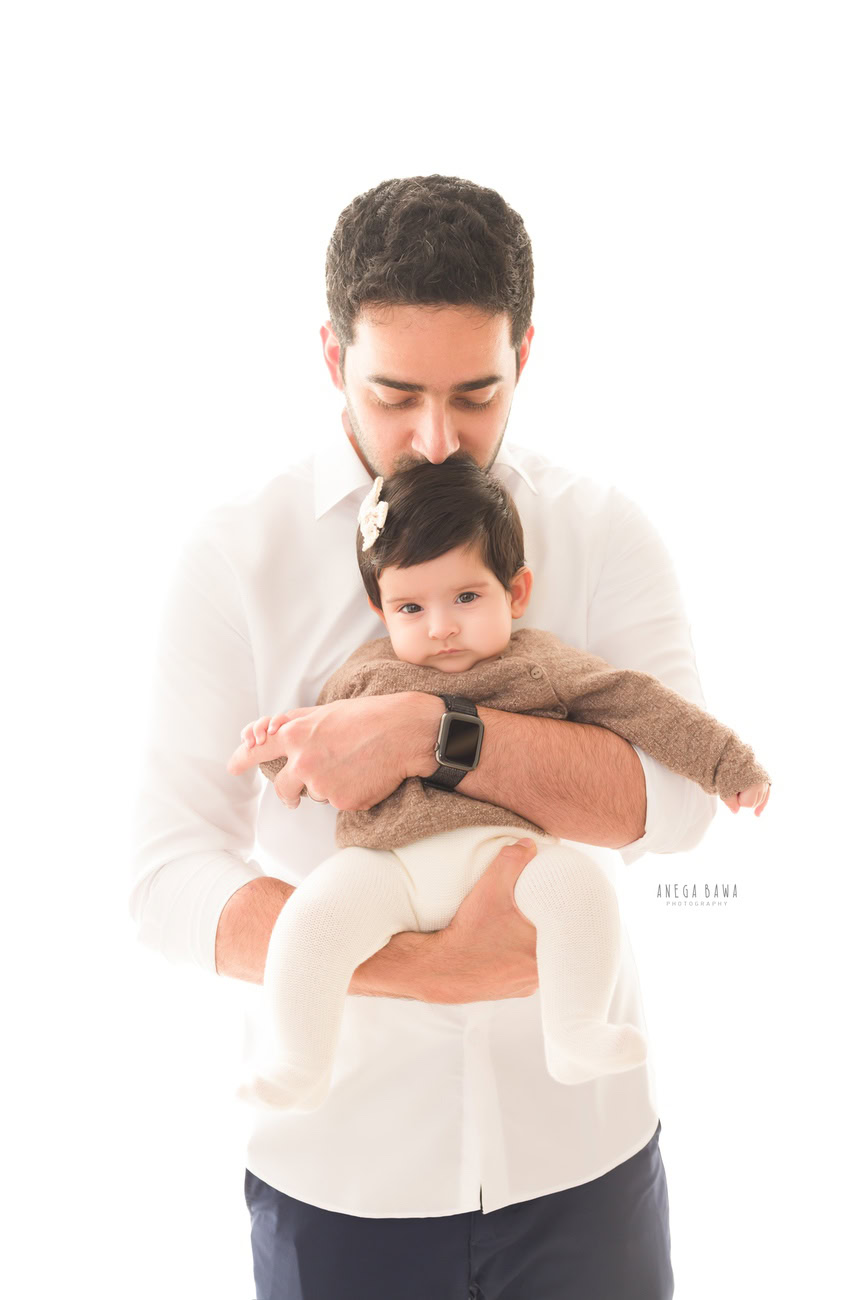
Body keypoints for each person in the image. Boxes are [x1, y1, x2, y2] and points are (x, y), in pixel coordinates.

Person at [130, 174, 752, 1298]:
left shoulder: (603, 532)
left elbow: (680, 803)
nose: (432, 438)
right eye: (393, 393)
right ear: (331, 359)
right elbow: (165, 878)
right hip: (339, 1175)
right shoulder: (234, 556)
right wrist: (424, 970)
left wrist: (433, 733)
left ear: (526, 353)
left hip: (585, 1155)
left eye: (477, 393)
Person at [231, 452, 770, 1114]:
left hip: (508, 855)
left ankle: (574, 1034)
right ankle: (299, 1062)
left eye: (465, 597)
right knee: (312, 917)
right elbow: (315, 759)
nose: (440, 627)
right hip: (386, 867)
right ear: (380, 607)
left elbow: (642, 704)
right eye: (410, 606)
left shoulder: (540, 663)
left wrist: (726, 764)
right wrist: (272, 752)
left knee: (582, 889)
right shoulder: (360, 678)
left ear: (513, 593)